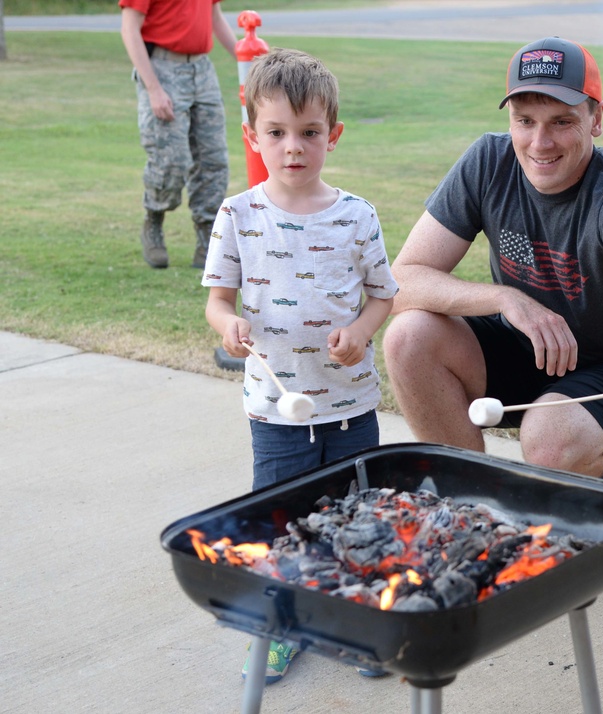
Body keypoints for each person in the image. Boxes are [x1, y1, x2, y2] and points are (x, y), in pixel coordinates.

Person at [383, 37, 603, 479]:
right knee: (408, 335)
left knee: (547, 439)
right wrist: (508, 300)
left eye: (561, 121)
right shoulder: (488, 161)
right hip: (520, 351)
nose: (540, 143)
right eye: (525, 121)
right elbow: (402, 280)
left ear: (596, 118)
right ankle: (471, 497)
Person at [203, 48, 399, 683]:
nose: (293, 148)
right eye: (277, 133)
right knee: (284, 525)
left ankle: (359, 623)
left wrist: (362, 332)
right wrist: (228, 325)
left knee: (356, 519)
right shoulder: (237, 215)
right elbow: (217, 301)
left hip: (350, 408)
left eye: (310, 133)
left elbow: (384, 295)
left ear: (332, 136)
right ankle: (282, 628)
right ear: (252, 136)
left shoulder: (356, 215)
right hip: (275, 409)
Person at [119, 0, 237, 269]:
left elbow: (214, 17)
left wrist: (247, 60)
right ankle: (154, 218)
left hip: (203, 71)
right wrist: (153, 89)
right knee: (169, 160)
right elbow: (129, 29)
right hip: (162, 68)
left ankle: (207, 236)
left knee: (213, 160)